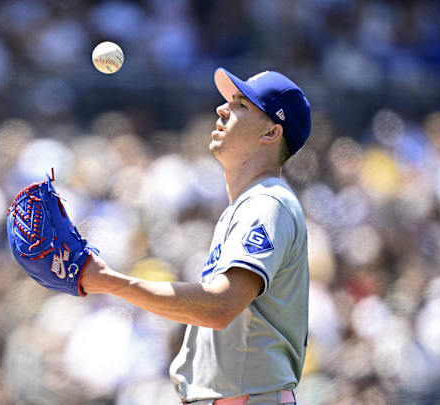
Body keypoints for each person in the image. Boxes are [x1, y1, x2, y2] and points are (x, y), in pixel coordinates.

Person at [80, 68, 312, 405]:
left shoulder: (267, 202)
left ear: (271, 133)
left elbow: (220, 306)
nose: (222, 108)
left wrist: (109, 282)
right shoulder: (246, 205)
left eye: (242, 105)